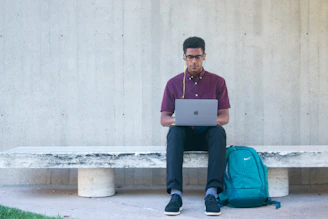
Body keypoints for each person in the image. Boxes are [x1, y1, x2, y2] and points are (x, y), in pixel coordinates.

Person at [160, 36, 230, 216]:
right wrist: (181, 120)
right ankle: (175, 195)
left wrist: (207, 120)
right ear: (184, 57)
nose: (193, 61)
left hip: (207, 136)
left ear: (204, 56)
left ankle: (212, 194)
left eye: (197, 57)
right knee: (174, 131)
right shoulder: (173, 83)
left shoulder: (217, 82)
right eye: (189, 57)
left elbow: (224, 117)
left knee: (218, 131)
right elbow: (164, 119)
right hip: (185, 137)